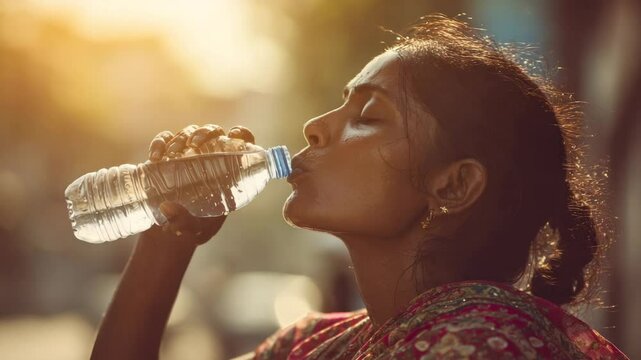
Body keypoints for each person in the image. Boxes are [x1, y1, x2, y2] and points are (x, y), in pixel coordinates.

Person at [90, 14, 628, 359]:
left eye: (368, 114)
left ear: (454, 185)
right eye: (342, 103)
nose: (315, 127)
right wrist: (167, 238)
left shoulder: (482, 345)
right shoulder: (311, 343)